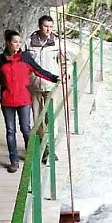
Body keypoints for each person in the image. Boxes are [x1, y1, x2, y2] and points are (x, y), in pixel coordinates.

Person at [0, 29, 59, 172]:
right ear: (8, 43)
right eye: (15, 42)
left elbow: (38, 70)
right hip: (7, 99)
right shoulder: (0, 59)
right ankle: (14, 161)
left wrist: (54, 78)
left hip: (23, 98)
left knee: (26, 129)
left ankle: (30, 156)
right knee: (10, 131)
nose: (18, 44)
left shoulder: (25, 57)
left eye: (20, 42)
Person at [27, 15, 64, 163]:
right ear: (39, 26)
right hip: (34, 86)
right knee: (38, 120)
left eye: (50, 27)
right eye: (45, 26)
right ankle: (42, 149)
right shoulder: (29, 43)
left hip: (51, 86)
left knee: (51, 120)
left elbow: (64, 60)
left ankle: (50, 149)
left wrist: (64, 74)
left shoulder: (57, 43)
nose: (48, 29)